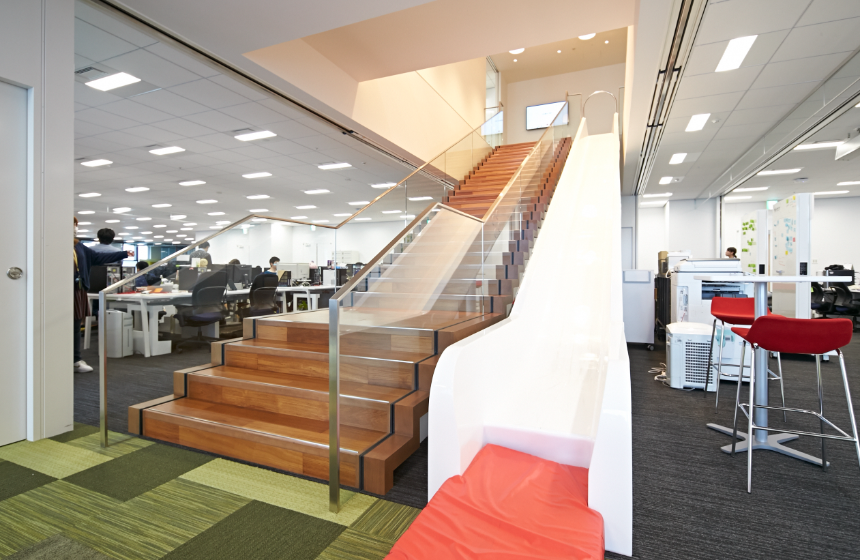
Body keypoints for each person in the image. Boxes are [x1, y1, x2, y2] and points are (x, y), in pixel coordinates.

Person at [74, 217, 132, 373]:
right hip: (67, 289)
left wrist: (123, 254)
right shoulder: (57, 244)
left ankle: (75, 359)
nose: (74, 229)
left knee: (76, 324)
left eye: (75, 226)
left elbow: (96, 258)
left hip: (82, 288)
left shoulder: (80, 246)